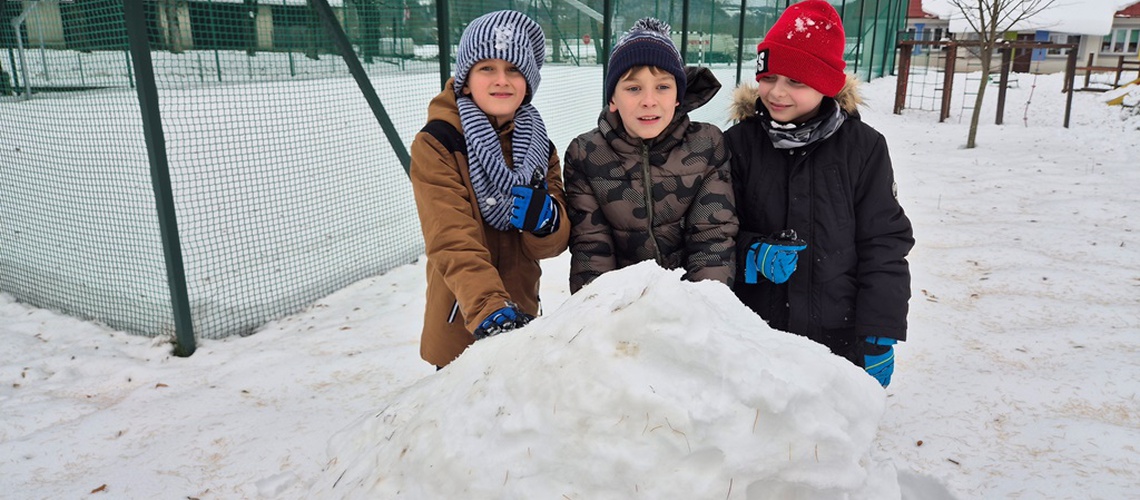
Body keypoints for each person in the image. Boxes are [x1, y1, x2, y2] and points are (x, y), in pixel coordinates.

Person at [725, 0, 914, 387]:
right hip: (754, 335)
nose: (777, 92)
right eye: (769, 77)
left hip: (837, 339)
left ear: (825, 84)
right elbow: (712, 229)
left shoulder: (863, 149)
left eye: (796, 81)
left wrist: (879, 330)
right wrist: (751, 253)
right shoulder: (737, 144)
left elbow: (883, 241)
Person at [409, 10, 569, 368]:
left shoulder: (540, 147)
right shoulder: (439, 142)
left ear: (528, 81)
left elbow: (552, 246)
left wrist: (548, 222)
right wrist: (488, 308)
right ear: (466, 80)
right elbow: (451, 237)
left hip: (522, 315)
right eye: (486, 68)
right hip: (464, 323)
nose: (501, 80)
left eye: (513, 69)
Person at [563, 18, 737, 294]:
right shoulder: (586, 154)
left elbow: (712, 239)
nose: (649, 101)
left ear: (678, 95)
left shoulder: (706, 145)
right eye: (633, 88)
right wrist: (606, 314)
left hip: (689, 301)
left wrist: (702, 308)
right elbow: (592, 247)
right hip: (621, 302)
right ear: (612, 98)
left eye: (662, 87)